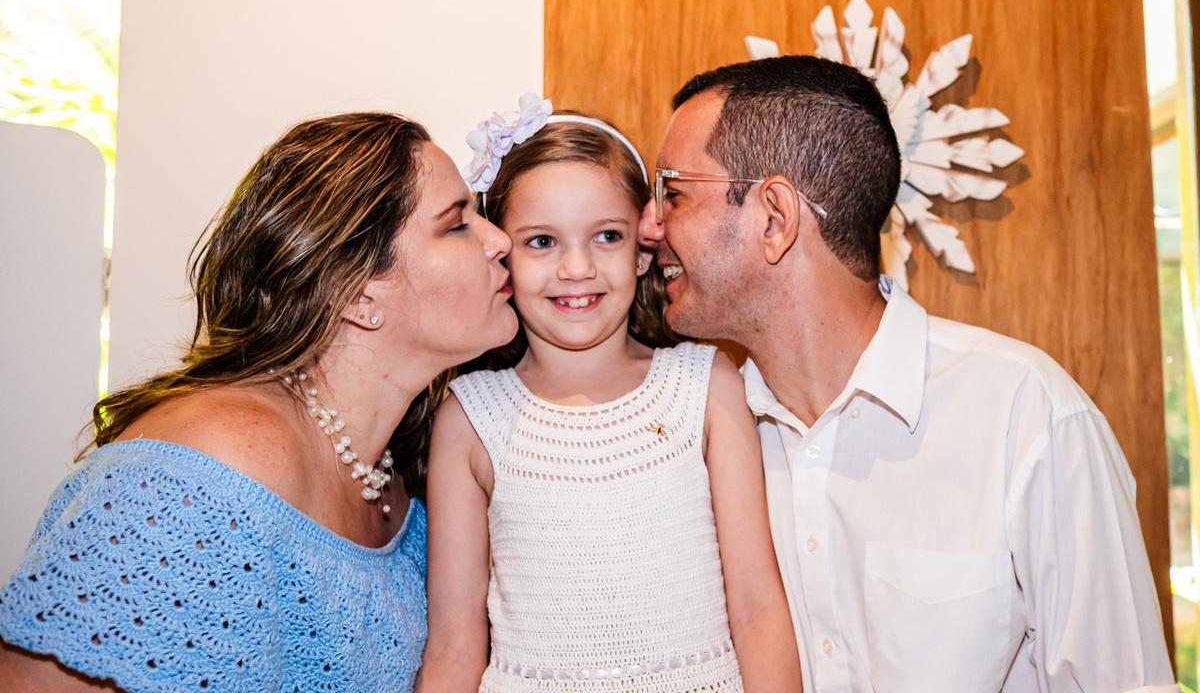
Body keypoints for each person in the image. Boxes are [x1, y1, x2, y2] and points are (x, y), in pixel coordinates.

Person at [637, 55, 1178, 692]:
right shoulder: (692, 435)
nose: (649, 228)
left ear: (774, 217)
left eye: (672, 193)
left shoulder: (1025, 417)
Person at [0, 112, 519, 693]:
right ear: (359, 292)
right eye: (457, 225)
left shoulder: (407, 477)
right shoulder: (205, 469)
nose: (501, 239)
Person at [416, 95, 801, 693]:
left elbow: (758, 608)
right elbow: (453, 647)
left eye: (606, 236)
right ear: (502, 255)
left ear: (645, 250)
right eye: (542, 241)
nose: (576, 268)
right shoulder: (469, 418)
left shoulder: (705, 385)